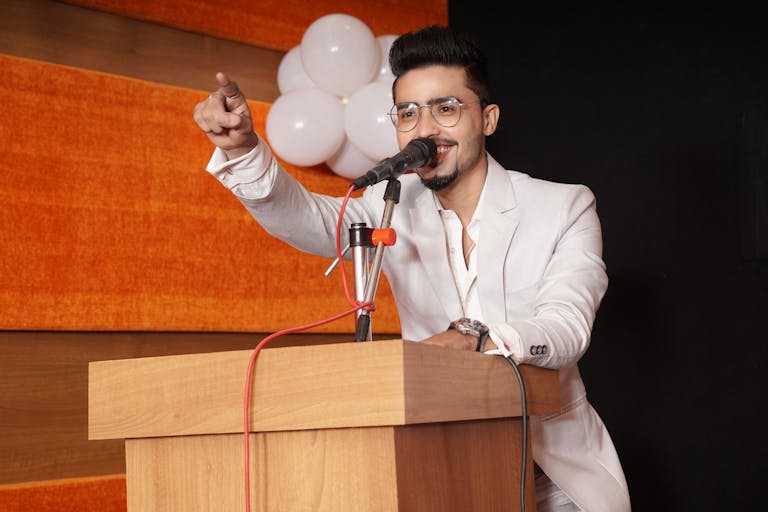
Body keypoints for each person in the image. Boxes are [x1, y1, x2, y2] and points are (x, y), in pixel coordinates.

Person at [193, 24, 631, 512]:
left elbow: (565, 328)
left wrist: (474, 337)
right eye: (407, 113)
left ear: (487, 119)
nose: (425, 129)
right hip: (440, 466)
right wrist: (242, 150)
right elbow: (307, 219)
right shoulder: (389, 202)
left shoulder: (563, 206)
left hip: (558, 474)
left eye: (445, 109)